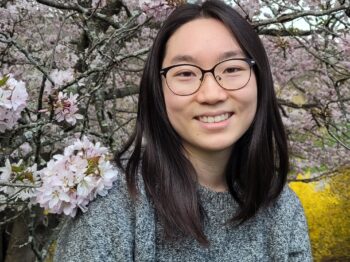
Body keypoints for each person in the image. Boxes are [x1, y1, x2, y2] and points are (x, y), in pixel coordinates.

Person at [54, 0, 312, 261]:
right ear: (158, 90)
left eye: (232, 68)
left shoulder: (282, 209)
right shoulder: (113, 205)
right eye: (186, 73)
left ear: (260, 80)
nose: (211, 94)